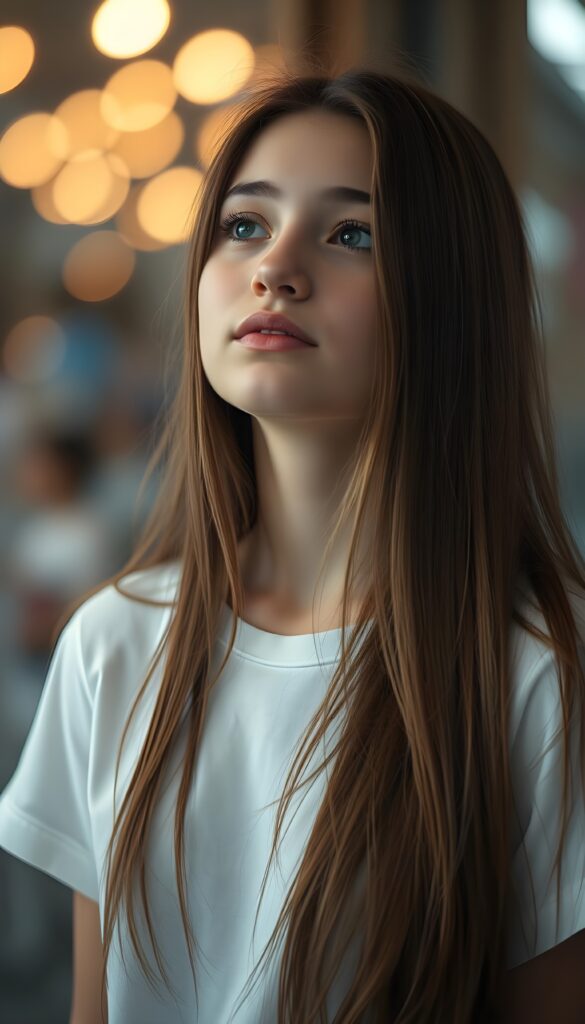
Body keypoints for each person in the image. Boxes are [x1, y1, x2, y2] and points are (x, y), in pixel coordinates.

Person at [0, 64, 584, 1024]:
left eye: (351, 232)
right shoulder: (113, 641)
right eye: (245, 224)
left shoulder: (534, 678)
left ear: (450, 299)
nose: (275, 266)